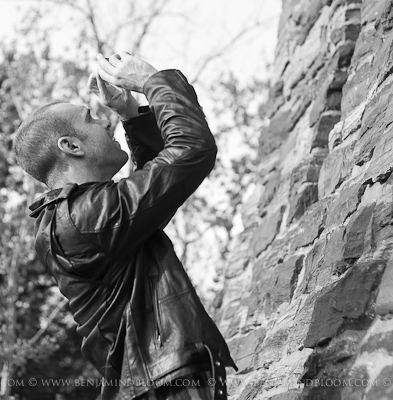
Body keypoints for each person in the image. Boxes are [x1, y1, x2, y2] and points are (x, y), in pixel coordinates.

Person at [13, 52, 237, 400]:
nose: (105, 123)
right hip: (164, 389)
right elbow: (191, 150)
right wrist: (152, 79)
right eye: (91, 119)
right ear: (70, 146)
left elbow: (154, 187)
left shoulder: (82, 216)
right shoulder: (86, 216)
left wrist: (131, 112)